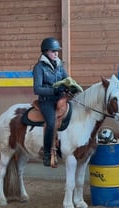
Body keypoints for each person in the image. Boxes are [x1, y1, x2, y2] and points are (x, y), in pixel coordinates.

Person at [33, 37, 69, 167]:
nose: (56, 53)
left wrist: (71, 86)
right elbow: (37, 89)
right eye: (53, 51)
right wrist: (54, 90)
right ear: (45, 52)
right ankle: (47, 153)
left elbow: (67, 79)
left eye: (57, 51)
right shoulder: (39, 67)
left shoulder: (60, 65)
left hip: (60, 99)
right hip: (46, 101)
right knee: (51, 123)